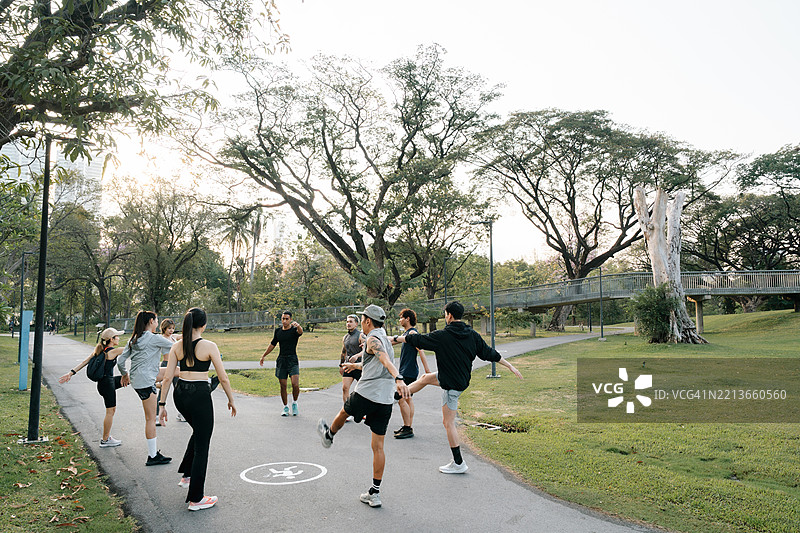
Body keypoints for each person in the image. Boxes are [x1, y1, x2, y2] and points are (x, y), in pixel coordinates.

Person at [394, 301, 522, 474]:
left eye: (445, 314)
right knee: (424, 378)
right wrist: (509, 366)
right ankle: (399, 394)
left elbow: (415, 339)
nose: (445, 316)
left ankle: (458, 463)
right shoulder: (471, 334)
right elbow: (489, 352)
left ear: (449, 315)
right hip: (456, 377)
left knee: (448, 423)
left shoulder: (443, 335)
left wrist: (390, 339)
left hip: (452, 384)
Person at [317, 304, 410, 508]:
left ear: (368, 321)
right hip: (384, 400)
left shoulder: (373, 339)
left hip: (367, 394)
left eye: (363, 320)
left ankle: (329, 435)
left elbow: (384, 360)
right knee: (378, 447)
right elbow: (376, 362)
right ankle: (375, 493)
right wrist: (356, 365)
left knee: (344, 412)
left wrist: (399, 378)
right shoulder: (384, 337)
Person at [158, 307, 237, 512]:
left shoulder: (177, 346)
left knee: (199, 433)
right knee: (203, 444)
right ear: (203, 324)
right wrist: (231, 400)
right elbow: (223, 377)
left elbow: (167, 377)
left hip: (180, 395)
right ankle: (196, 498)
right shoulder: (209, 346)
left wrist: (162, 405)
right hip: (199, 395)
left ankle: (187, 475)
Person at [116, 310, 176, 466]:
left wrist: (125, 375)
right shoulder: (153, 338)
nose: (158, 323)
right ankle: (152, 456)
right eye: (156, 320)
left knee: (176, 371)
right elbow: (176, 348)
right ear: (151, 321)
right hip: (145, 381)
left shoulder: (134, 339)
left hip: (138, 378)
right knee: (150, 419)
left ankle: (206, 381)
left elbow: (120, 361)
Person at [59, 327, 127, 447]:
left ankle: (151, 382)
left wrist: (71, 373)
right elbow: (130, 349)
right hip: (107, 385)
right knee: (110, 411)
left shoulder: (100, 350)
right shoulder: (112, 351)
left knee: (129, 379)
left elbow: (85, 362)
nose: (119, 338)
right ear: (111, 339)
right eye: (117, 336)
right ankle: (105, 440)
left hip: (105, 383)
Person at [390, 308, 430, 439]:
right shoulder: (408, 333)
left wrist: (428, 370)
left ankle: (408, 428)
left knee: (401, 399)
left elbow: (421, 350)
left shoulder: (412, 333)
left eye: (401, 317)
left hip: (408, 371)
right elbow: (393, 341)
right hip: (408, 370)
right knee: (408, 399)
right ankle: (408, 426)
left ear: (407, 319)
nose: (400, 320)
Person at [259, 311, 303, 416]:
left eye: (287, 319)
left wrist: (298, 326)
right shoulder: (278, 331)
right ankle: (285, 407)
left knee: (295, 384)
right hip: (281, 360)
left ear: (290, 319)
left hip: (292, 360)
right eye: (283, 319)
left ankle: (295, 403)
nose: (284, 321)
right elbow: (272, 344)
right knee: (283, 385)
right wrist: (264, 355)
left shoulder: (294, 330)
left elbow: (300, 332)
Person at [156, 319, 183, 424]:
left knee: (179, 390)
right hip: (166, 364)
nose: (171, 330)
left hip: (177, 365)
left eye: (172, 328)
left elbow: (184, 336)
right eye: (169, 328)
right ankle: (157, 415)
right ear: (164, 328)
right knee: (163, 390)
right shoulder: (161, 339)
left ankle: (182, 413)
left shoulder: (174, 337)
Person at [339, 314, 364, 405]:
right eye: (347, 321)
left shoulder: (361, 336)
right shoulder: (345, 337)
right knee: (345, 388)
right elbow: (343, 352)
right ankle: (347, 411)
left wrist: (357, 356)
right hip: (348, 366)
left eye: (351, 322)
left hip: (358, 366)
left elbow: (367, 350)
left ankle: (363, 410)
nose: (348, 324)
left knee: (362, 390)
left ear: (356, 324)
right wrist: (341, 365)